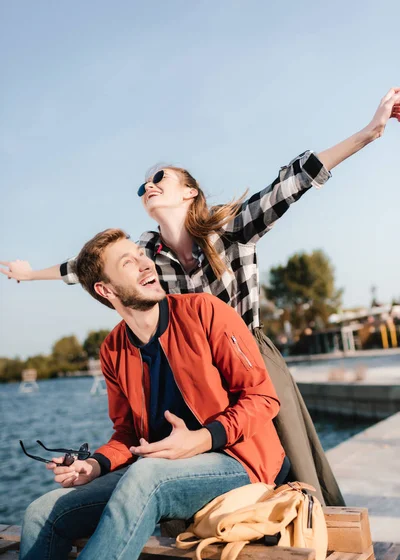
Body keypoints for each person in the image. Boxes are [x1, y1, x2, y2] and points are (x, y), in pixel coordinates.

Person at [3, 88, 400, 506]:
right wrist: (30, 276)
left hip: (251, 363)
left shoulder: (231, 232)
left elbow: (293, 182)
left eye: (160, 179)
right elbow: (85, 265)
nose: (148, 186)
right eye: (143, 185)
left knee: (293, 471)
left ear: (190, 192)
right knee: (198, 475)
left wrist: (369, 132)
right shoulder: (148, 255)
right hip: (196, 377)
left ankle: (313, 544)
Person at [15, 228, 288, 560]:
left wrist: (203, 439)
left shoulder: (205, 312)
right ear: (105, 290)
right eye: (129, 262)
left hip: (238, 460)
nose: (146, 263)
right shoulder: (112, 349)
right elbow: (127, 434)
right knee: (41, 512)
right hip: (158, 473)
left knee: (148, 475)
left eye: (142, 256)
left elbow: (264, 398)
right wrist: (94, 465)